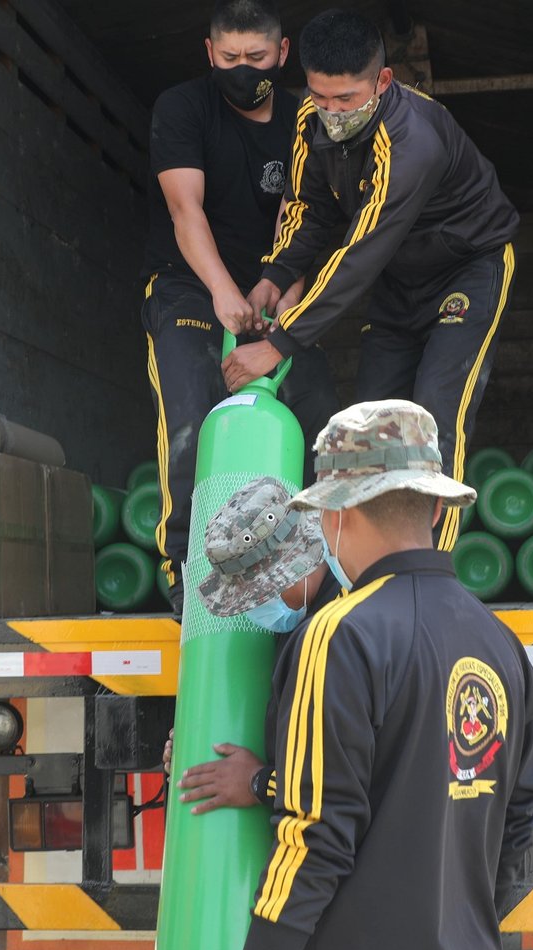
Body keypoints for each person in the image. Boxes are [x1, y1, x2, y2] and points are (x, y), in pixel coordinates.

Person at [207, 400, 533, 950]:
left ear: (335, 512)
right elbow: (518, 828)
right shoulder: (501, 643)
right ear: (439, 510)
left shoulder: (340, 635)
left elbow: (315, 837)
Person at [220, 9, 521, 553]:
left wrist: (278, 343)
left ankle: (432, 572)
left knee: (435, 417)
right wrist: (276, 273)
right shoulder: (310, 119)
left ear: (383, 81)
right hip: (395, 281)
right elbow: (308, 209)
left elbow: (360, 251)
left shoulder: (413, 141)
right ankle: (368, 569)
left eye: (347, 99)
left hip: (465, 272)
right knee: (369, 423)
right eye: (321, 96)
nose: (332, 112)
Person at [144, 0, 338, 611]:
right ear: (210, 53)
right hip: (190, 285)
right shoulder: (182, 107)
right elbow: (185, 211)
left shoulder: (307, 117)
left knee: (322, 418)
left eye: (256, 57)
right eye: (229, 58)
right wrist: (225, 294)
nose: (242, 68)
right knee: (192, 422)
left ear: (283, 54)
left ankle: (320, 570)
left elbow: (302, 219)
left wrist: (282, 304)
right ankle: (184, 563)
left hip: (275, 287)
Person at [166, 476, 335, 813]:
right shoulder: (299, 623)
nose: (253, 608)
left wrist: (259, 781)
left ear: (293, 570)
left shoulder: (340, 634)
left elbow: (346, 780)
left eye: (256, 595)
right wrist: (195, 738)